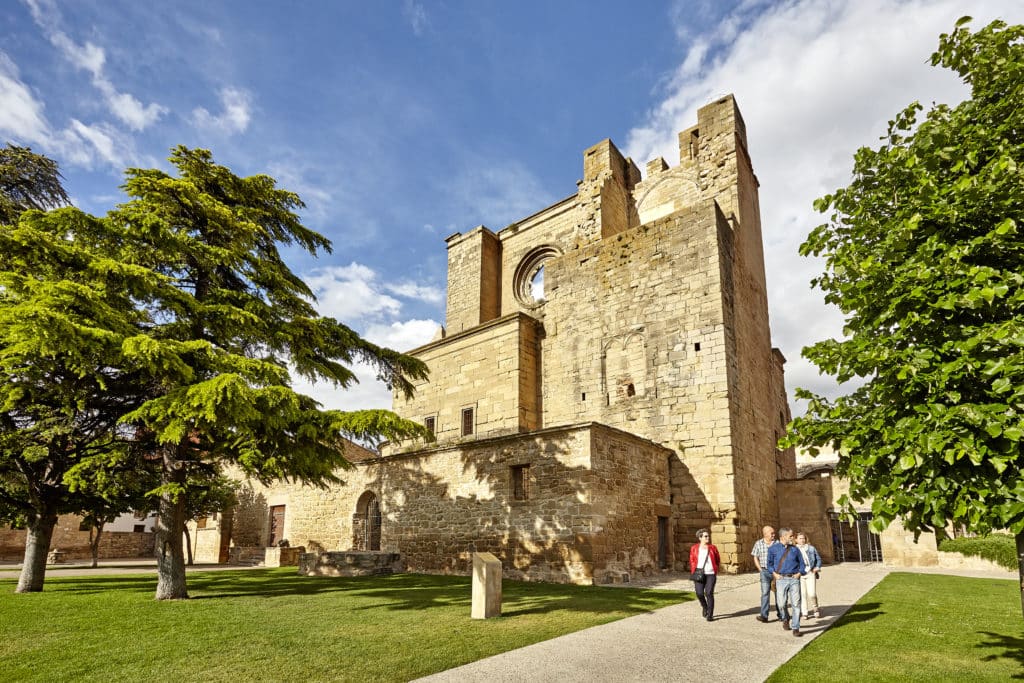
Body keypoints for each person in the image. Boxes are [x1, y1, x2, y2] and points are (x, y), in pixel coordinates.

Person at [768, 527, 807, 637]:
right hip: (781, 579)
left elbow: (802, 564)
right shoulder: (773, 549)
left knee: (796, 604)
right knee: (781, 603)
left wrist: (799, 573)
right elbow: (769, 565)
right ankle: (785, 618)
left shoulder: (795, 549)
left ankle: (796, 627)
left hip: (794, 579)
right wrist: (775, 574)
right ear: (783, 537)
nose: (793, 538)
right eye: (790, 536)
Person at [751, 525, 782, 623]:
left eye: (774, 533)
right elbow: (755, 556)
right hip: (764, 572)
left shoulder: (778, 543)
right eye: (771, 533)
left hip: (776, 572)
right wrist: (760, 569)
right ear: (765, 534)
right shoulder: (758, 543)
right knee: (765, 594)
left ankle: (781, 615)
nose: (774, 535)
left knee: (778, 594)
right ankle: (764, 616)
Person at [689, 528, 721, 621]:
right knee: (699, 593)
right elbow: (692, 560)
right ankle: (705, 607)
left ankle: (710, 615)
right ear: (700, 538)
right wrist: (693, 571)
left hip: (711, 573)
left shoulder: (713, 548)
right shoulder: (694, 548)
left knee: (709, 593)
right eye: (705, 536)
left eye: (708, 536)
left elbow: (717, 560)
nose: (708, 538)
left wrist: (715, 569)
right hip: (699, 573)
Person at [795, 532, 822, 619]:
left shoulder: (811, 548)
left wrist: (817, 567)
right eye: (800, 538)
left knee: (812, 593)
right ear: (796, 540)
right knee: (802, 594)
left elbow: (818, 559)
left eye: (803, 538)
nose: (802, 540)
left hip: (810, 572)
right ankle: (804, 612)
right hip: (800, 574)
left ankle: (815, 607)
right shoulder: (794, 549)